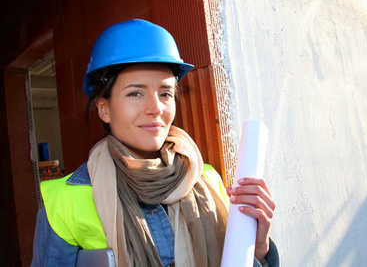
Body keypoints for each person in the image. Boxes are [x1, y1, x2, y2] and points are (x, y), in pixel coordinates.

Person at [31, 19, 278, 267]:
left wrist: (258, 247)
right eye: (135, 93)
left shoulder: (206, 180)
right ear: (104, 109)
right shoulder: (64, 203)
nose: (156, 109)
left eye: (165, 93)